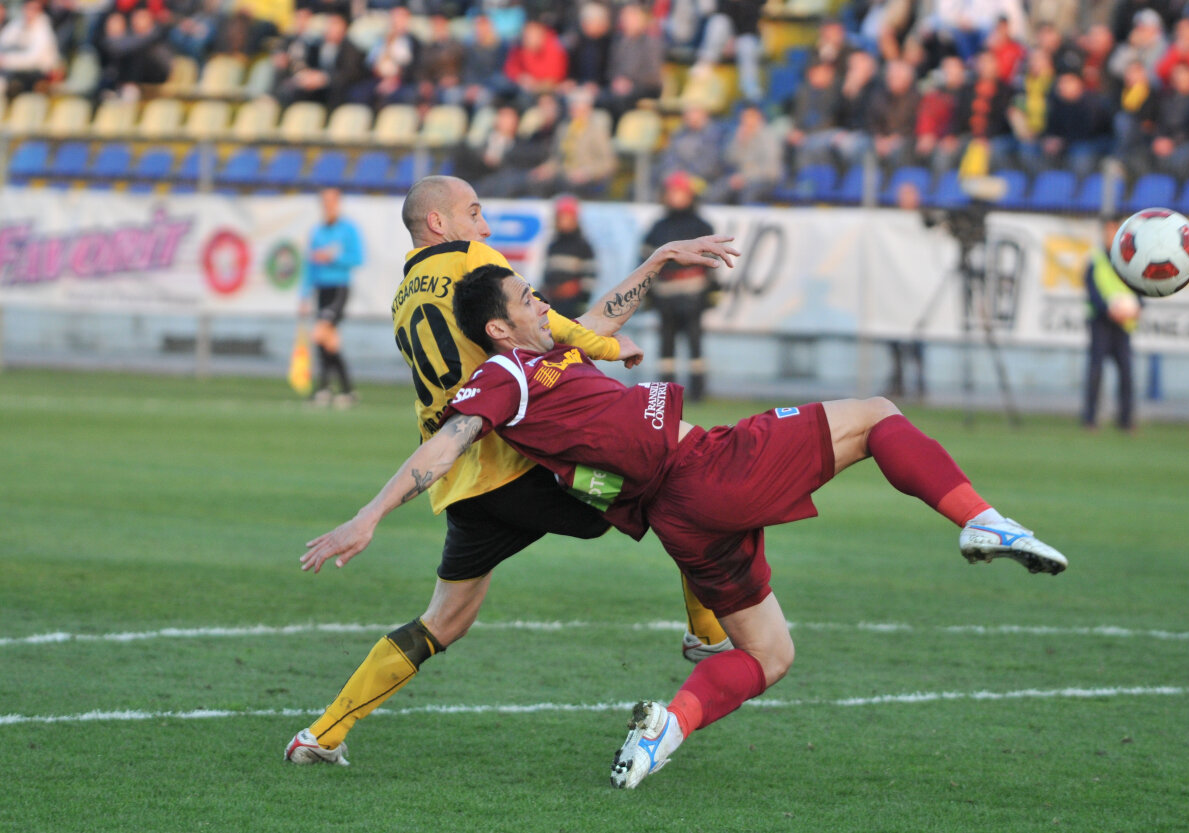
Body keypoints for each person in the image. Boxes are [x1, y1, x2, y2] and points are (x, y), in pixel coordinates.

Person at [296, 263, 1068, 788]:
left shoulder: (548, 353)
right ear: (500, 330)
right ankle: (984, 522)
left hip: (684, 520)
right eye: (527, 298)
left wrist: (660, 259)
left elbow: (597, 317)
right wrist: (369, 514)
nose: (541, 303)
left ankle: (669, 725)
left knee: (770, 653)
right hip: (707, 468)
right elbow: (449, 439)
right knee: (878, 416)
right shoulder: (504, 376)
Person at [284, 175, 739, 766]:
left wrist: (653, 262)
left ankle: (321, 734)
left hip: (463, 482)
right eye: (475, 212)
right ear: (440, 225)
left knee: (444, 620)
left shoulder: (405, 295)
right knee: (672, 484)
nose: (487, 227)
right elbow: (562, 331)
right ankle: (706, 635)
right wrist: (605, 348)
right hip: (523, 461)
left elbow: (550, 333)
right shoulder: (471, 262)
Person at [642, 171, 717, 400]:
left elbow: (712, 263)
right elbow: (645, 263)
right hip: (665, 295)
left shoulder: (701, 225)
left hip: (694, 294)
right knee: (666, 345)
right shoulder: (658, 227)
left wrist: (712, 291)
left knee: (695, 343)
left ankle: (697, 391)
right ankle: (665, 393)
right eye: (672, 193)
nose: (675, 198)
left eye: (680, 193)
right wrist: (646, 293)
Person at [300, 187, 364, 409]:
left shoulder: (348, 230)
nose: (327, 205)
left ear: (338, 203)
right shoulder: (317, 231)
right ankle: (343, 390)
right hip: (322, 290)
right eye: (324, 201)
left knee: (320, 334)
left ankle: (325, 388)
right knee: (329, 341)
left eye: (331, 201)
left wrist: (333, 257)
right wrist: (304, 295)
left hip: (339, 289)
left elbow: (357, 258)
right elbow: (310, 265)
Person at [1082, 214, 1141, 431]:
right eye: (1107, 231)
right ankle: (1089, 419)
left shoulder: (1132, 260)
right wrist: (1108, 309)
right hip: (1101, 322)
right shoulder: (1095, 259)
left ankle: (1126, 421)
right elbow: (1091, 291)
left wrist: (1138, 309)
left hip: (1123, 324)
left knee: (1126, 372)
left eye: (1114, 230)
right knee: (1095, 370)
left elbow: (1141, 288)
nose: (1110, 235)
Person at [541, 195, 597, 320]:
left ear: (575, 219)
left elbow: (589, 280)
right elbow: (547, 274)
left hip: (574, 309)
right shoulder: (553, 245)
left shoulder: (583, 246)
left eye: (567, 217)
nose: (563, 221)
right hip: (554, 306)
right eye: (560, 217)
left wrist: (573, 291)